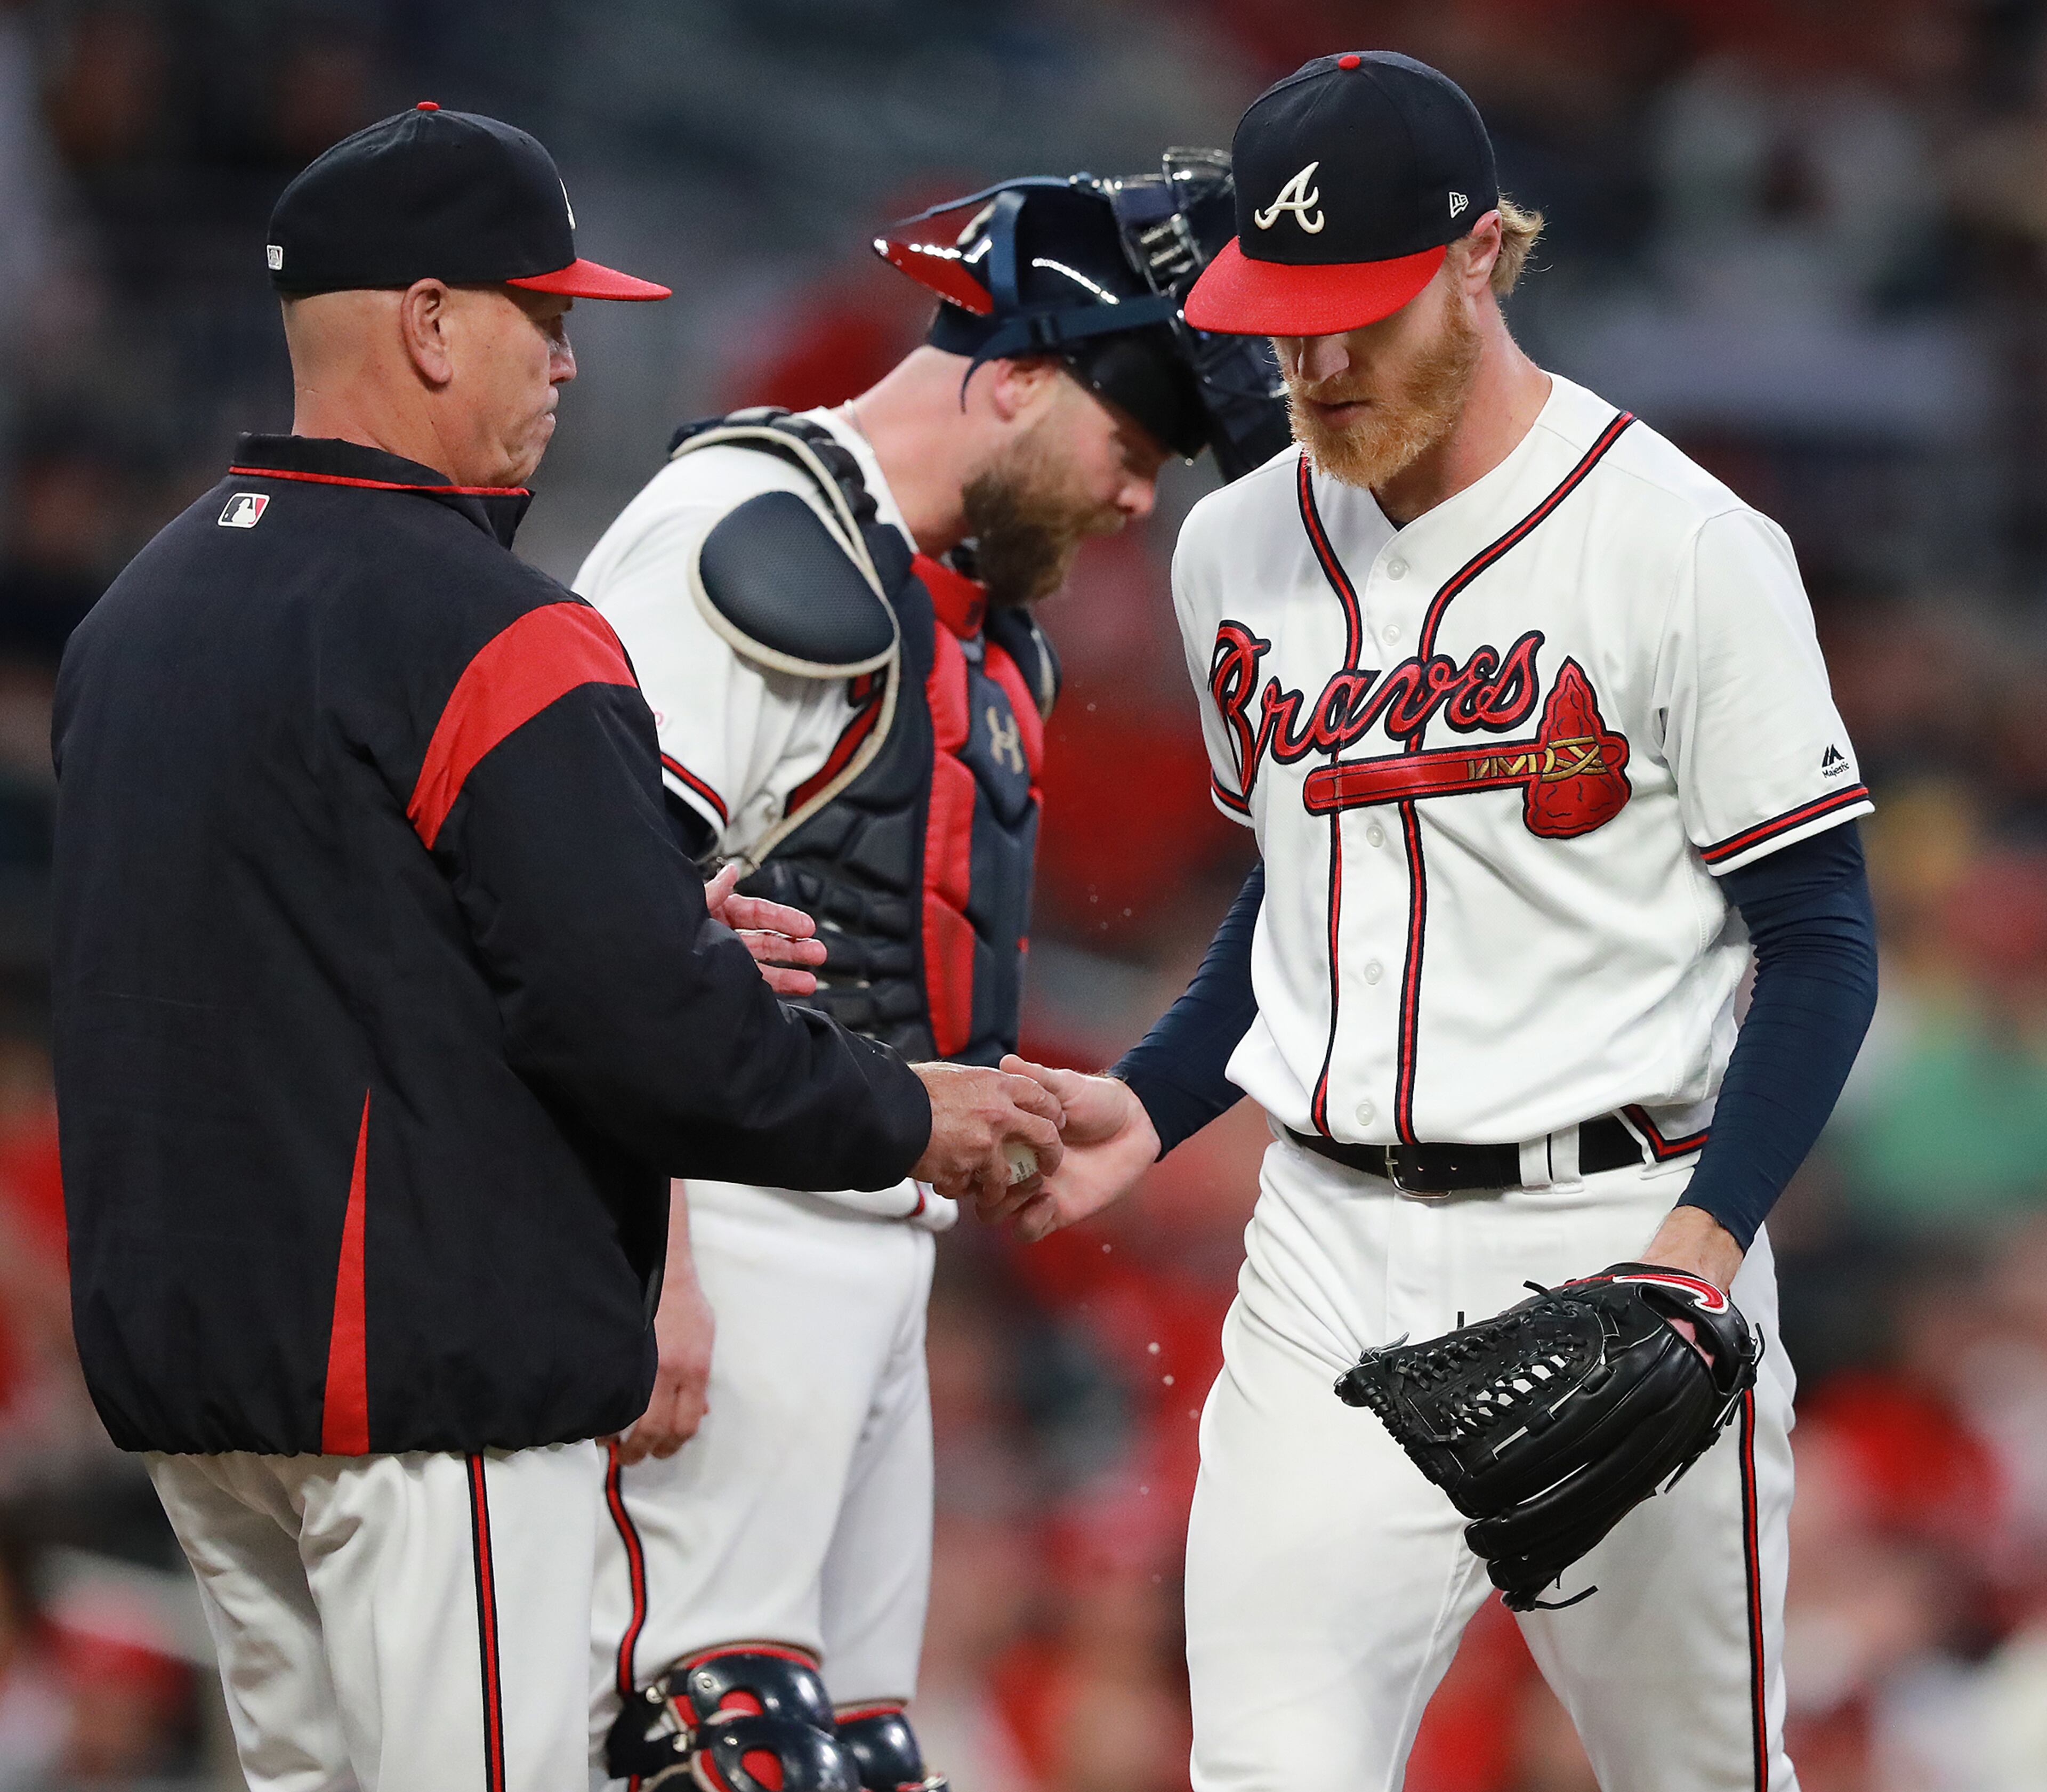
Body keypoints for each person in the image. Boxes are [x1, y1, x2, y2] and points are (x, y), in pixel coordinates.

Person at [50, 103, 1061, 1792]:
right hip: (420, 1407)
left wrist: (635, 908)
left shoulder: (133, 616)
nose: (572, 363)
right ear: (433, 322)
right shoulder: (492, 626)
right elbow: (644, 1030)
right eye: (548, 316)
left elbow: (323, 945)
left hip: (200, 1400)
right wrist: (907, 1113)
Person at [984, 52, 1881, 1792]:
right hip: (1326, 1255)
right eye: (1281, 320)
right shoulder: (1231, 547)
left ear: (1482, 258)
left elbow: (1823, 935)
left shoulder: (1686, 544)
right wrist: (1162, 1103)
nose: (1312, 365)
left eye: (1356, 315)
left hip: (1624, 1228)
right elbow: (1302, 888)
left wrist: (1704, 1243)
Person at [576, 159, 1291, 1790]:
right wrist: (649, 1252)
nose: (1139, 501)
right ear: (1021, 373)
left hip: (877, 1240)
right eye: (1133, 444)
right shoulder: (749, 532)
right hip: (730, 1224)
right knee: (709, 1740)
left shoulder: (972, 614)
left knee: (865, 1753)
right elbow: (598, 928)